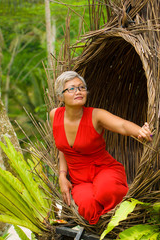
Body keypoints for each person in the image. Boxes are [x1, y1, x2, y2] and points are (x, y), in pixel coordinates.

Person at [50, 71, 152, 225]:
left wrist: (140, 131)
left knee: (107, 192)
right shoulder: (54, 115)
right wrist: (62, 176)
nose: (78, 91)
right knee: (87, 207)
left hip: (104, 169)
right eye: (71, 89)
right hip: (80, 180)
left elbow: (123, 125)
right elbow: (63, 148)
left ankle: (125, 222)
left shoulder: (96, 115)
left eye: (81, 87)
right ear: (60, 96)